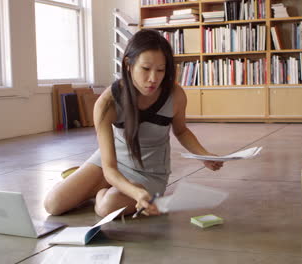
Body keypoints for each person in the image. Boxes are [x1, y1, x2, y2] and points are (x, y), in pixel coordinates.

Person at [44, 29, 223, 218]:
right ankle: (100, 184)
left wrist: (202, 155)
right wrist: (136, 194)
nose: (153, 78)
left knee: (107, 206)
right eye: (146, 69)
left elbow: (182, 131)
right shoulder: (107, 103)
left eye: (160, 70)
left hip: (149, 173)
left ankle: (101, 192)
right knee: (53, 204)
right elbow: (110, 168)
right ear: (128, 64)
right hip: (112, 165)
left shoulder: (175, 95)